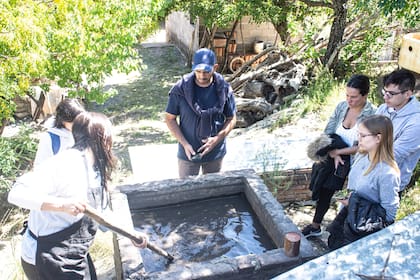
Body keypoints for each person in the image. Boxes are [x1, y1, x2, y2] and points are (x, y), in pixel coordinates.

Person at [8, 112, 148, 280]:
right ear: (103, 139)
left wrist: (131, 234)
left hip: (74, 252)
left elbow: (102, 216)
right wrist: (62, 205)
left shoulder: (95, 169)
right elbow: (17, 193)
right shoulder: (64, 163)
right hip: (46, 257)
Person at [302, 74, 376, 237]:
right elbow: (328, 132)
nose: (350, 100)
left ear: (365, 95)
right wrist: (333, 153)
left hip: (356, 161)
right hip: (334, 157)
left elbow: (364, 146)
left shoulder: (372, 115)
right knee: (324, 191)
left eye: (354, 97)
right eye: (347, 95)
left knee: (352, 196)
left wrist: (339, 152)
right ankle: (316, 225)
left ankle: (346, 232)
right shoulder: (342, 107)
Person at [326, 115, 400, 250]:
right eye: (358, 134)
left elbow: (389, 215)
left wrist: (353, 202)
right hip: (347, 220)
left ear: (378, 138)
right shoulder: (362, 155)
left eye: (363, 136)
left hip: (362, 232)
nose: (358, 139)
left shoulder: (387, 173)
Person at [165, 48, 237, 178]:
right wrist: (185, 144)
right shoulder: (180, 89)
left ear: (215, 67)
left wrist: (217, 139)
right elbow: (170, 118)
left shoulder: (224, 89)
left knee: (212, 191)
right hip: (188, 154)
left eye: (206, 71)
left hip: (215, 153)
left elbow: (231, 118)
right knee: (186, 191)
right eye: (198, 71)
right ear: (193, 67)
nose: (202, 76)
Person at [375, 69, 420, 194]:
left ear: (408, 94)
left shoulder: (416, 122)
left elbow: (393, 154)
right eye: (385, 92)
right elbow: (365, 134)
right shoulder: (384, 108)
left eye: (391, 94)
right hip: (367, 176)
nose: (385, 97)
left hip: (388, 185)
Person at [34, 98, 85, 167]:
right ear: (63, 120)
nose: (77, 124)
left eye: (79, 120)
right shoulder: (50, 138)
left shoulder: (83, 132)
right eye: (73, 121)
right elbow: (40, 166)